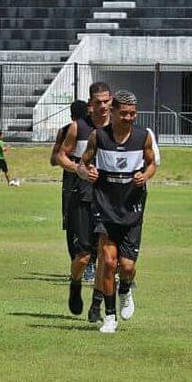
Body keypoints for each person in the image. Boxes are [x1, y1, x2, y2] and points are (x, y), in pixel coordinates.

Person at [81, 90, 157, 333]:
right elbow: (84, 162)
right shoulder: (98, 137)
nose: (129, 118)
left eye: (133, 114)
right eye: (124, 113)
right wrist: (88, 171)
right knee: (109, 261)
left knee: (127, 267)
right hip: (105, 207)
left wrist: (145, 175)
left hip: (132, 208)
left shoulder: (143, 137)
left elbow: (152, 163)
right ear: (112, 112)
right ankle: (110, 317)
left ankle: (125, 288)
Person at [55, 83, 113, 318]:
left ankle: (96, 305)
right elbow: (59, 155)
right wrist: (76, 168)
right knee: (84, 256)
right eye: (97, 102)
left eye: (106, 101)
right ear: (90, 104)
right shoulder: (78, 127)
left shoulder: (118, 127)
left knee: (105, 255)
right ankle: (75, 282)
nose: (102, 106)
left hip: (109, 197)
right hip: (83, 195)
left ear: (111, 101)